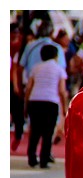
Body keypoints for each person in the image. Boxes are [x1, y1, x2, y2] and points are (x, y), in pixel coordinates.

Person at [24, 43, 68, 169]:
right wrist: (64, 107)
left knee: (35, 131)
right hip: (51, 102)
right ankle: (44, 159)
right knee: (48, 133)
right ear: (56, 56)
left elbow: (29, 88)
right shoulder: (59, 69)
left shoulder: (36, 68)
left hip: (35, 100)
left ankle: (32, 157)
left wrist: (26, 105)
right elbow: (61, 91)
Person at [10, 23, 25, 152]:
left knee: (17, 113)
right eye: (13, 32)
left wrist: (16, 85)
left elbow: (16, 68)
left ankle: (18, 135)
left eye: (17, 32)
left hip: (16, 83)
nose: (15, 34)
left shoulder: (21, 46)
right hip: (12, 83)